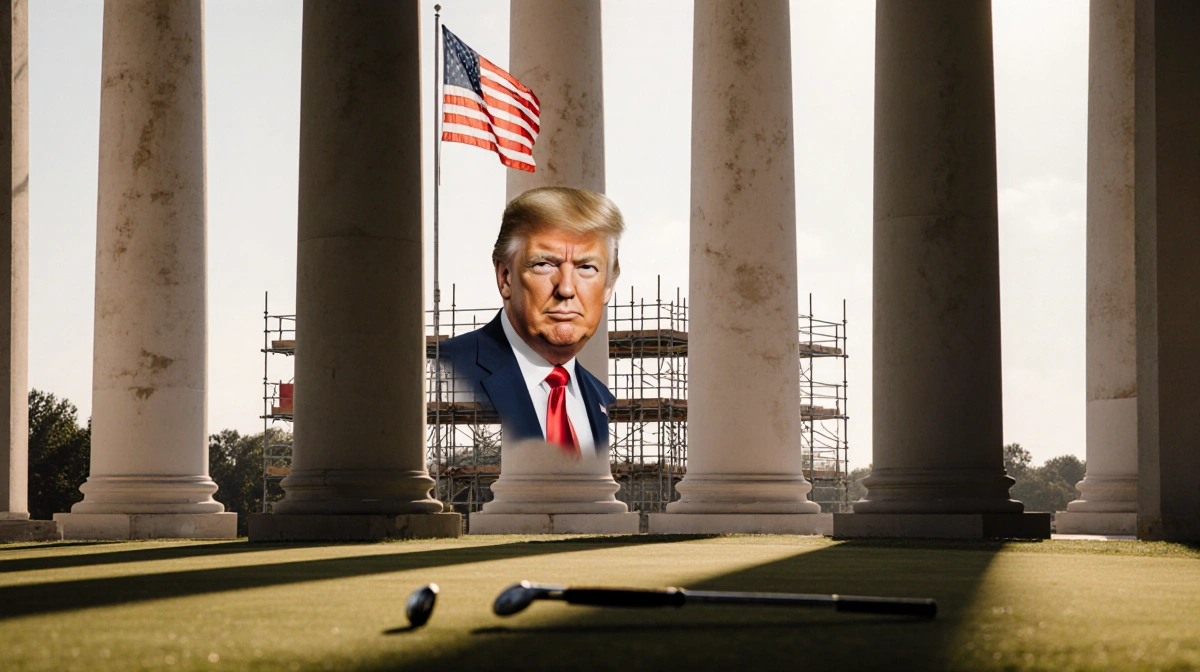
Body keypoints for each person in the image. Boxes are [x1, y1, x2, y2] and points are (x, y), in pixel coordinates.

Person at [438, 186, 623, 457]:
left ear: (608, 287)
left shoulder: (600, 398)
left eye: (586, 268)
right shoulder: (443, 370)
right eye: (544, 264)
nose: (567, 289)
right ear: (505, 277)